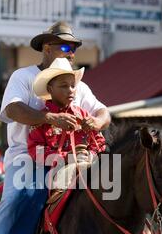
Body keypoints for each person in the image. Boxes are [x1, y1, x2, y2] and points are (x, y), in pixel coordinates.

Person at [0, 21, 111, 234]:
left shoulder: (75, 83)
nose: (69, 52)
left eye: (72, 48)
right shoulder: (22, 77)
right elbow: (12, 109)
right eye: (63, 46)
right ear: (46, 48)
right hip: (28, 159)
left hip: (72, 160)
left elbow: (102, 111)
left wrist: (95, 123)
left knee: (115, 189)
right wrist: (48, 117)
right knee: (19, 198)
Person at [28, 58, 106, 187]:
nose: (70, 90)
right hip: (51, 171)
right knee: (32, 196)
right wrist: (64, 157)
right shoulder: (42, 119)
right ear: (50, 89)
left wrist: (90, 155)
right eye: (64, 86)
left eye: (73, 85)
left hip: (87, 167)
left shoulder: (84, 115)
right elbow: (36, 150)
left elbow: (99, 142)